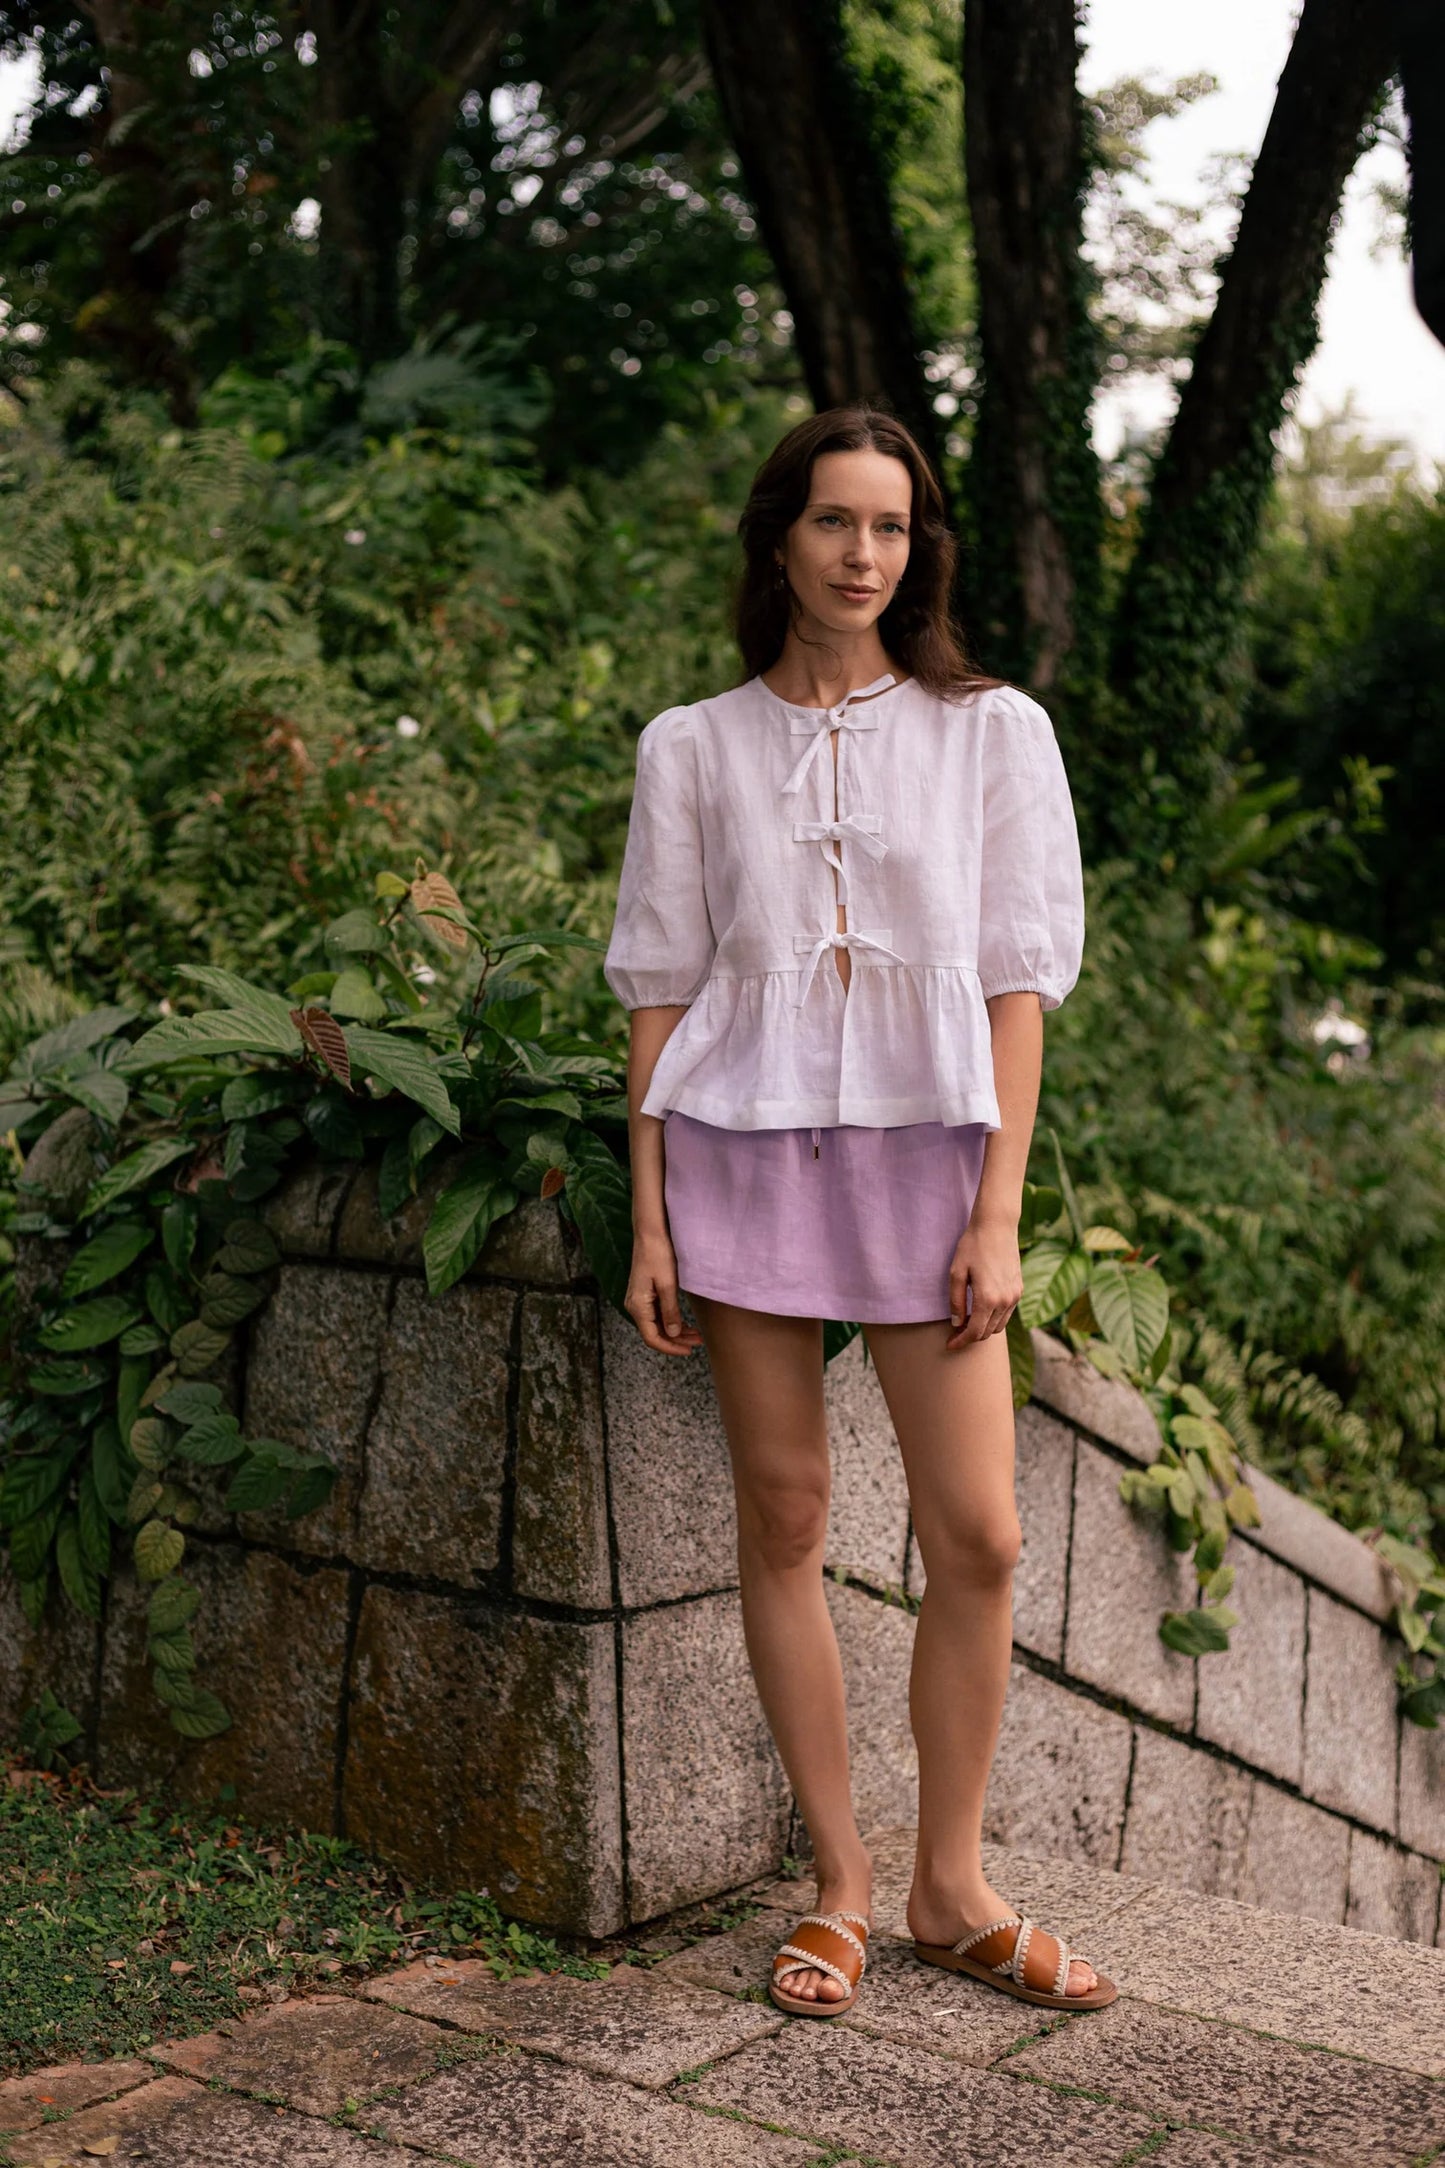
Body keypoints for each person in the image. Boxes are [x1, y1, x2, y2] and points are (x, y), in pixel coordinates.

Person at [602, 403, 1114, 2020]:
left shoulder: (990, 733)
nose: (862, 555)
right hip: (739, 1149)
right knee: (789, 1519)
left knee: (980, 1531)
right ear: (780, 538)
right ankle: (835, 1887)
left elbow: (1017, 983)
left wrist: (997, 1211)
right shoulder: (692, 747)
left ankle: (950, 1886)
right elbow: (659, 993)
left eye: (890, 528)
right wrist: (651, 1220)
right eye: (835, 522)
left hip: (926, 1161)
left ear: (919, 549)